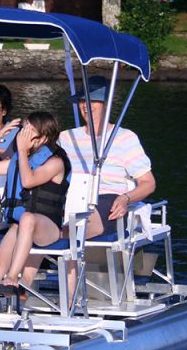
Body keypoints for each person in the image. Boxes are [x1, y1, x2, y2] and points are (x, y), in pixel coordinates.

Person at [0, 112, 71, 328]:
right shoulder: (21, 158)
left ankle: (13, 279)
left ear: (43, 138)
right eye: (23, 128)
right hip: (23, 224)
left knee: (27, 219)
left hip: (48, 228)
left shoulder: (55, 162)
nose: (22, 134)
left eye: (29, 131)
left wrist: (21, 151)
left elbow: (28, 180)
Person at [58, 75, 155, 238]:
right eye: (83, 100)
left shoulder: (124, 137)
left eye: (93, 101)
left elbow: (148, 183)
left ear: (107, 105)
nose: (86, 105)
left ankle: (52, 237)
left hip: (107, 199)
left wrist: (126, 198)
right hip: (69, 198)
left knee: (82, 221)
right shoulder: (66, 137)